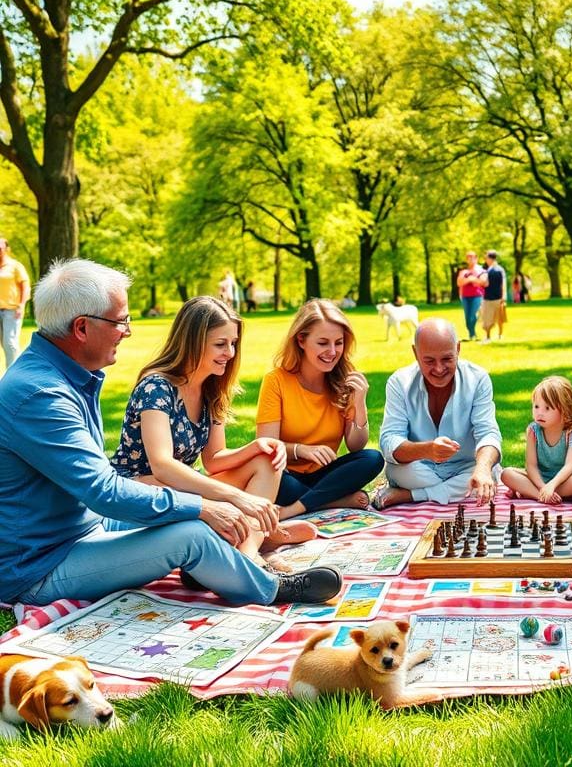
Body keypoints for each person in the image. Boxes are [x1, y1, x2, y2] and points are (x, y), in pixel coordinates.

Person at [0, 259, 340, 608]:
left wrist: (208, 506)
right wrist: (204, 507)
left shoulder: (64, 377)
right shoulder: (40, 395)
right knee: (192, 532)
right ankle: (269, 587)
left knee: (199, 518)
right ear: (82, 328)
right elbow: (104, 491)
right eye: (121, 321)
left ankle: (242, 552)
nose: (128, 330)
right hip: (39, 567)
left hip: (85, 527)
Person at [111, 297, 314, 573]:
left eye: (233, 344)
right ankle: (255, 537)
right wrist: (237, 498)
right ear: (192, 342)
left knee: (266, 460)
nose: (230, 353)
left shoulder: (211, 388)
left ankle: (247, 549)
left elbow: (215, 459)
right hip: (141, 491)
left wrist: (256, 447)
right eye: (220, 344)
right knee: (210, 507)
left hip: (181, 487)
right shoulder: (156, 387)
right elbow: (162, 464)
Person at [256, 299, 384, 518]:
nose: (332, 352)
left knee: (372, 459)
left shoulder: (343, 380)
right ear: (301, 340)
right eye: (323, 343)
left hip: (325, 476)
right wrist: (303, 450)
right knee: (282, 483)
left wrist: (360, 401)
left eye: (339, 342)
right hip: (286, 476)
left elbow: (355, 446)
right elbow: (266, 447)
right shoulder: (276, 381)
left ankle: (295, 509)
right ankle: (334, 500)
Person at [375, 318, 502, 508]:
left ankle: (410, 495)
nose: (439, 369)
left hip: (464, 468)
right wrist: (427, 450)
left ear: (458, 349)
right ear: (415, 353)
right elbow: (389, 441)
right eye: (429, 361)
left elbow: (488, 433)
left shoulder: (478, 379)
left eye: (447, 359)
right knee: (398, 471)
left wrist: (482, 469)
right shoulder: (399, 382)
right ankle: (446, 492)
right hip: (419, 469)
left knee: (489, 472)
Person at [501, 376, 572, 504]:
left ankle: (534, 492)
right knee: (506, 474)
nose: (539, 413)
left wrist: (552, 485)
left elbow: (570, 465)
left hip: (566, 478)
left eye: (547, 408)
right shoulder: (533, 430)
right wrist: (544, 488)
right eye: (536, 406)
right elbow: (531, 466)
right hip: (541, 478)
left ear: (564, 410)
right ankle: (542, 496)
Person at [0, 237, 30, 371]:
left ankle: (12, 375)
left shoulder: (16, 266)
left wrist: (21, 305)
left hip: (11, 310)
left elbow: (25, 286)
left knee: (10, 343)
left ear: (7, 249)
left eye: (0, 248)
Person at [479, 250, 507, 343]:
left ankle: (496, 335)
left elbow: (503, 283)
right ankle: (491, 336)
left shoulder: (496, 270)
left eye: (486, 258)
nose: (485, 260)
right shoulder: (491, 269)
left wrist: (503, 296)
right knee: (489, 318)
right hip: (490, 297)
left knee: (497, 317)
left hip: (495, 297)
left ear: (490, 258)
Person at [456, 251, 485, 341]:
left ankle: (472, 334)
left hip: (477, 295)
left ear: (476, 258)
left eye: (472, 257)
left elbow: (483, 282)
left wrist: (473, 280)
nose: (471, 259)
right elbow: (459, 283)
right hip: (465, 296)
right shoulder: (464, 271)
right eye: (469, 257)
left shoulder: (480, 270)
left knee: (473, 315)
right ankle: (471, 334)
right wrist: (469, 279)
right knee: (467, 317)